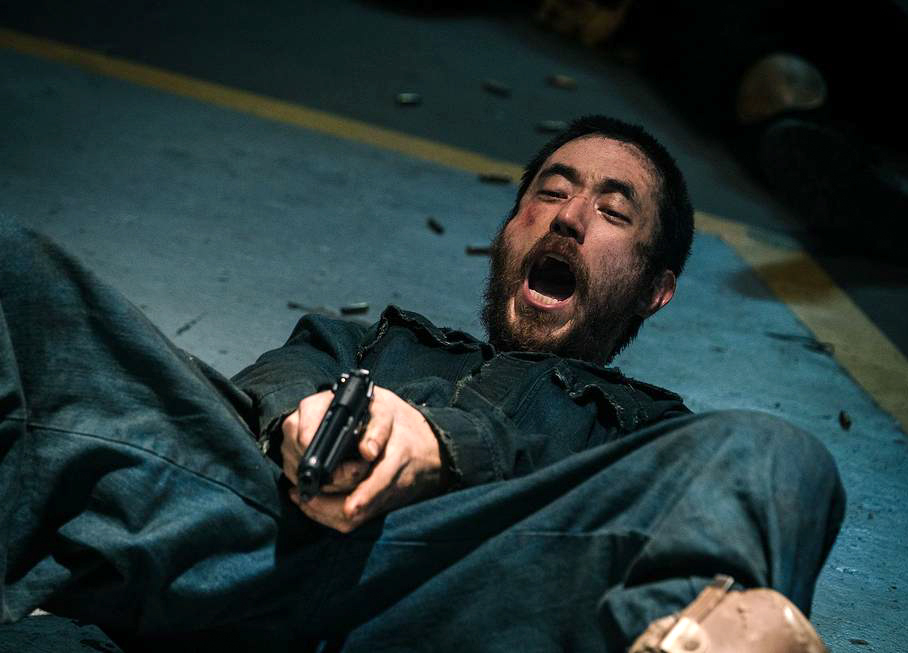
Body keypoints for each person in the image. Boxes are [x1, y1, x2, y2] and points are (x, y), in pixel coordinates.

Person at [0, 115, 844, 652]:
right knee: (17, 274)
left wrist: (443, 448)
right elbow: (272, 381)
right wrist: (302, 419)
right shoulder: (373, 342)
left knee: (773, 458)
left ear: (656, 289)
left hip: (449, 596)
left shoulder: (645, 434)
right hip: (248, 543)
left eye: (614, 212)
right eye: (550, 192)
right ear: (509, 230)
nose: (569, 215)